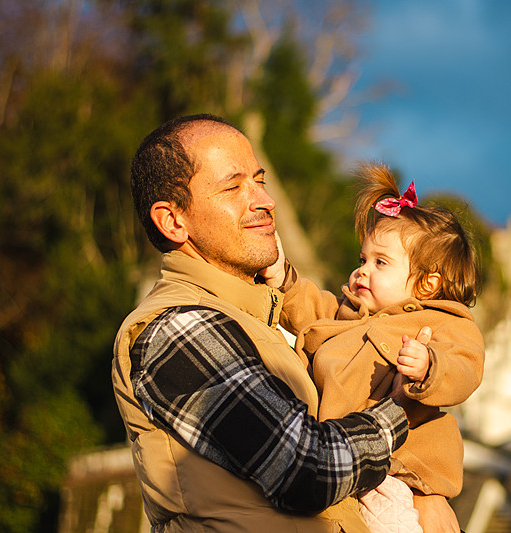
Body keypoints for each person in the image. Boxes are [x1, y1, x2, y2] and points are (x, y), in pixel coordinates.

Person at [112, 114, 427, 532]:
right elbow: (307, 470)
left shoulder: (254, 318)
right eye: (233, 186)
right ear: (173, 220)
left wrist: (427, 493)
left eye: (259, 180)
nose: (264, 199)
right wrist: (403, 410)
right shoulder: (177, 326)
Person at [261, 163, 485, 532]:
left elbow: (465, 368)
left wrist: (429, 367)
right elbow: (314, 310)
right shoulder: (351, 314)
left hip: (397, 473)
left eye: (381, 262)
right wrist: (282, 277)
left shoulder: (444, 323)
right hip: (341, 458)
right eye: (362, 259)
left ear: (427, 285)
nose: (362, 270)